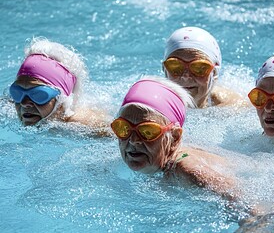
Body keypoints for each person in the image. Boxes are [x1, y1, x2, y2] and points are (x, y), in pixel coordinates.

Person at [111, 77, 243, 200]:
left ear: (174, 138)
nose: (133, 140)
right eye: (123, 128)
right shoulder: (117, 161)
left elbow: (253, 211)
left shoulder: (189, 172)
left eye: (148, 131)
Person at [9, 37, 111, 134]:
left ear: (62, 101)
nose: (24, 103)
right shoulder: (8, 107)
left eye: (39, 95)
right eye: (17, 93)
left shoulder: (86, 126)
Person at [163, 27, 245, 108]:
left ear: (215, 73)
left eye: (199, 68)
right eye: (175, 66)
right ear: (164, 69)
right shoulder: (154, 103)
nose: (186, 76)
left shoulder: (231, 107)